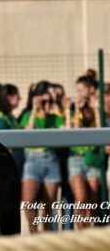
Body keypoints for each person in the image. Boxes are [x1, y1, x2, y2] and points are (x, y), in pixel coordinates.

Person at [19, 81, 63, 233]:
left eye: (49, 101)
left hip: (50, 160)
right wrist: (34, 109)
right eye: (44, 101)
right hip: (32, 160)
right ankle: (34, 235)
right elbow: (28, 130)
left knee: (49, 207)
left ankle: (48, 242)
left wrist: (57, 105)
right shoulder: (27, 115)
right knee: (28, 202)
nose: (47, 105)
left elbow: (66, 130)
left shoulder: (54, 117)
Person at [65, 74, 101, 229]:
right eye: (77, 90)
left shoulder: (96, 107)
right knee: (81, 199)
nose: (78, 93)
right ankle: (80, 234)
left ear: (91, 90)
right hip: (76, 158)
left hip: (91, 157)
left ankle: (89, 236)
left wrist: (97, 110)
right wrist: (75, 108)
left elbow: (101, 131)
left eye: (81, 90)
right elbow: (73, 131)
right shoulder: (73, 107)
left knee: (92, 202)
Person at [0, 83, 24, 172]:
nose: (20, 99)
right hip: (9, 163)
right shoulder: (0, 119)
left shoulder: (10, 117)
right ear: (9, 97)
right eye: (18, 96)